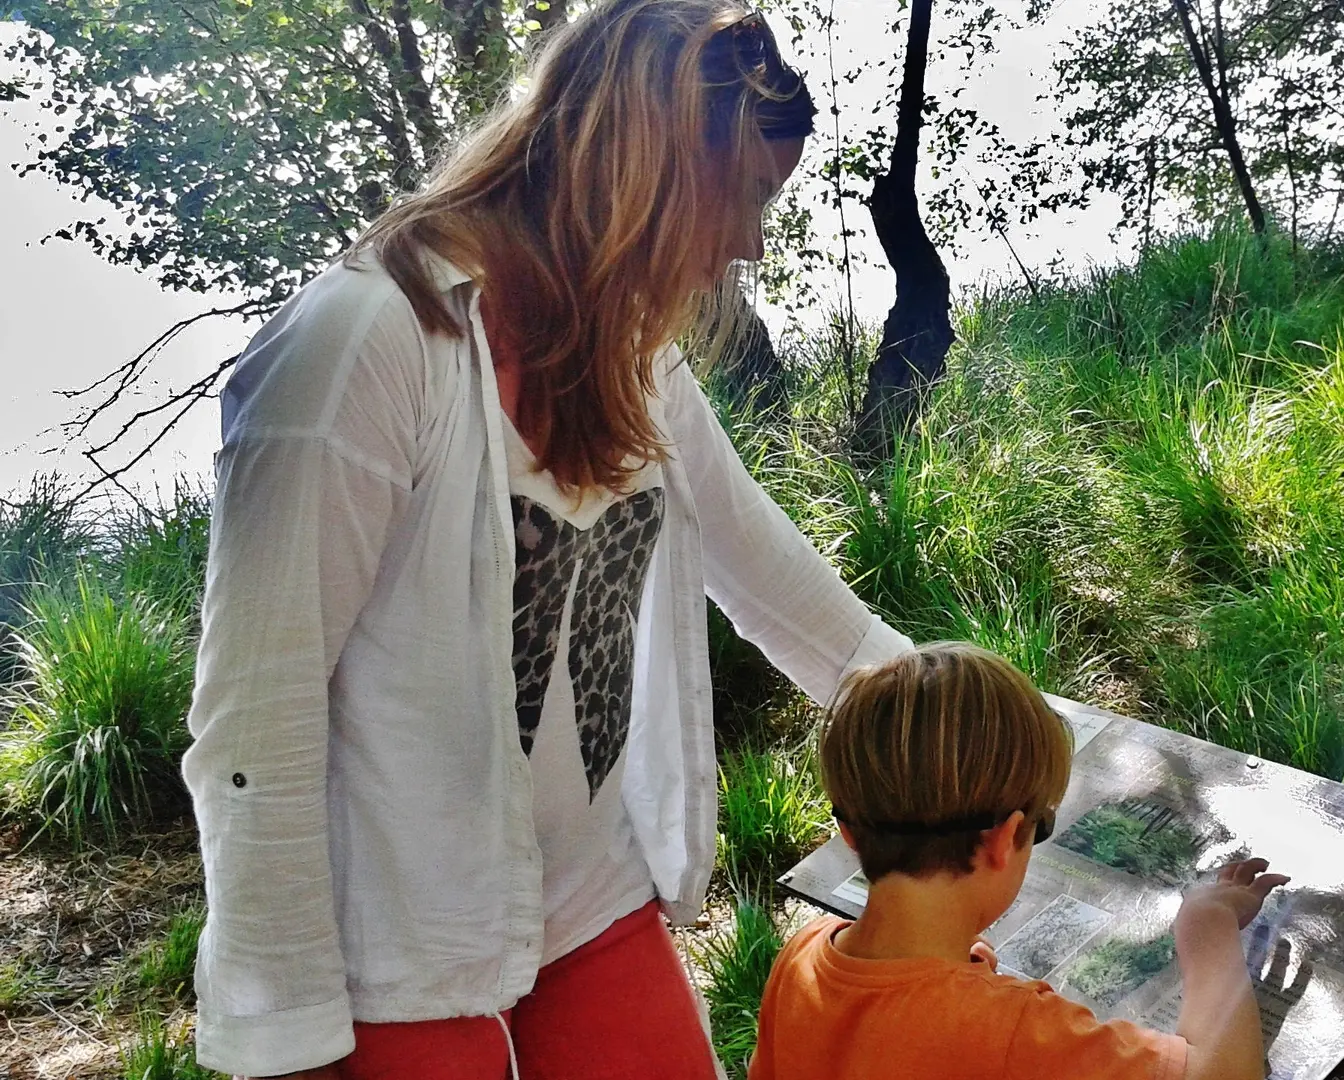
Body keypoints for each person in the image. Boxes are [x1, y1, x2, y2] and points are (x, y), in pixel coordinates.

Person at [181, 4, 910, 1078]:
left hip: (584, 895)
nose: (752, 239)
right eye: (750, 194)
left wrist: (965, 717)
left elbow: (768, 577)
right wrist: (289, 1039)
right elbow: (257, 721)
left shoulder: (632, 352)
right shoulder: (363, 344)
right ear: (647, 163)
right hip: (396, 944)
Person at [750, 643, 1290, 1080]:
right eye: (1042, 827)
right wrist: (1208, 925)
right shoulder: (1009, 1030)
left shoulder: (800, 959)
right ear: (1003, 838)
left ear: (847, 833)